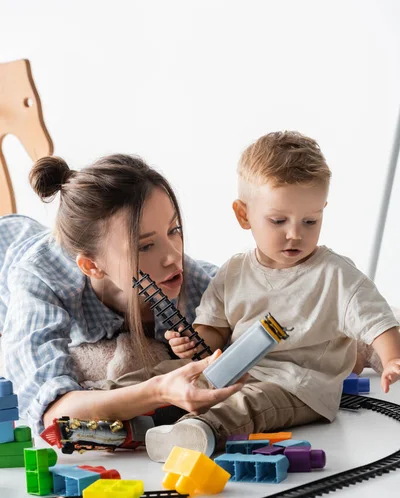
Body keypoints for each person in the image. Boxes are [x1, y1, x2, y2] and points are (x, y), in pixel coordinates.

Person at [104, 131, 400, 462]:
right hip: (234, 369)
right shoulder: (234, 271)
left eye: (310, 220)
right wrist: (193, 344)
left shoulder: (336, 275)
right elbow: (213, 331)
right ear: (244, 215)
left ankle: (194, 431)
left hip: (297, 386)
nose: (294, 233)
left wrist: (391, 360)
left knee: (247, 406)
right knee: (167, 371)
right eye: (278, 220)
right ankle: (106, 402)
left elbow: (378, 321)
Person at [0, 154, 245, 435]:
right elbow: (54, 414)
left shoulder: (198, 281)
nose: (173, 256)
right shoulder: (38, 278)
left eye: (174, 230)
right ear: (92, 266)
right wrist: (158, 390)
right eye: (145, 246)